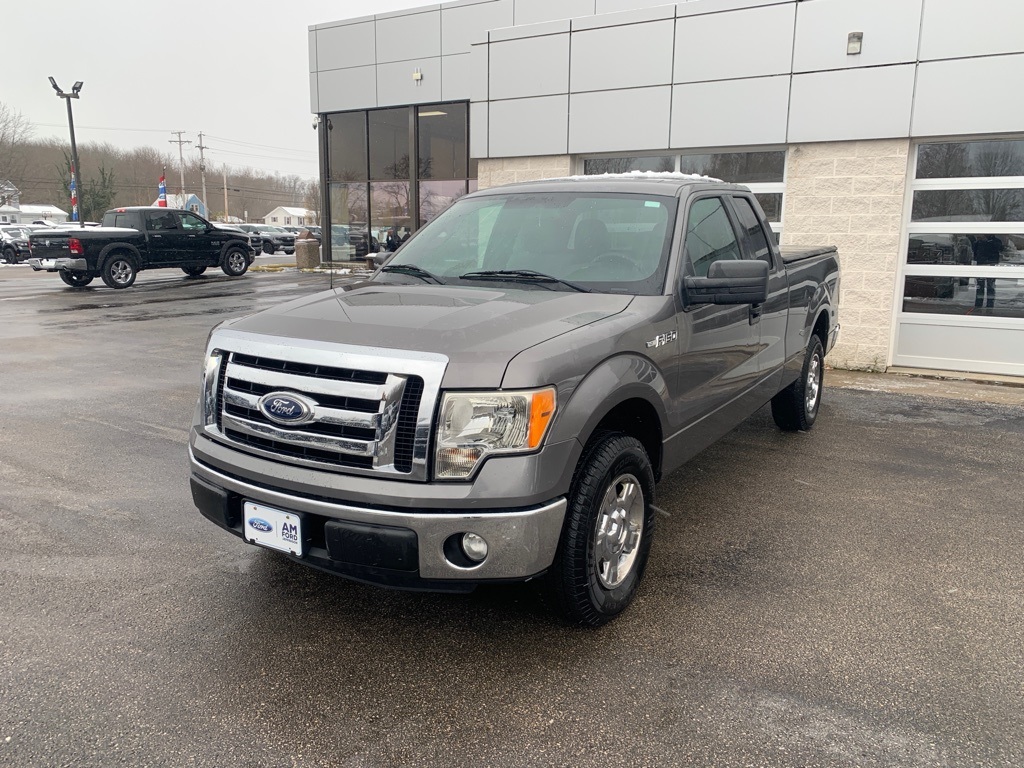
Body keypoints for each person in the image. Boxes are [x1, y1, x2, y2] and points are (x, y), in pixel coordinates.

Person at [969, 234, 1003, 309]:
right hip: (982, 265)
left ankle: (988, 304)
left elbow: (999, 249)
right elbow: (975, 251)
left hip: (990, 265)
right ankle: (979, 304)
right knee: (981, 286)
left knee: (989, 286)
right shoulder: (979, 242)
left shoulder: (995, 241)